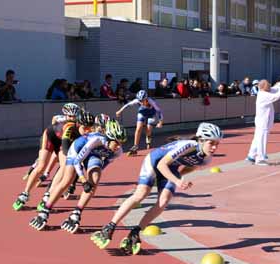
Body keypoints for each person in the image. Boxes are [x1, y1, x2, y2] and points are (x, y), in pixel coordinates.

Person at [91, 122, 223, 254]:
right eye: (211, 143)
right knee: (141, 194)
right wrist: (176, 180)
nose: (214, 147)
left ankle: (135, 232)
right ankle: (109, 227)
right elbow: (161, 165)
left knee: (163, 201)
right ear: (201, 140)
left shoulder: (207, 159)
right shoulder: (188, 145)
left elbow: (192, 166)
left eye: (217, 144)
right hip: (154, 161)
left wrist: (179, 177)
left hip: (171, 168)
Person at [29, 120, 127, 231]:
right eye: (117, 142)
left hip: (94, 154)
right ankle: (45, 210)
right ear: (109, 138)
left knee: (95, 179)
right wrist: (83, 180)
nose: (119, 146)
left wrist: (92, 177)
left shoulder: (118, 152)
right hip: (78, 150)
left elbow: (104, 164)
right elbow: (77, 161)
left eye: (122, 143)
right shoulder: (96, 140)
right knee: (67, 180)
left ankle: (76, 213)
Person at [12, 104, 85, 211]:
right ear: (65, 115)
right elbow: (55, 119)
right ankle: (25, 193)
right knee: (41, 166)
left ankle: (48, 195)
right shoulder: (62, 120)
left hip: (63, 141)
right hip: (50, 136)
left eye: (74, 116)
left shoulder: (80, 124)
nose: (72, 119)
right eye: (70, 116)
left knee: (64, 167)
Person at [246, 79, 280, 165]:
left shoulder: (265, 92)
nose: (270, 85)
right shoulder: (263, 95)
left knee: (257, 138)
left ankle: (251, 155)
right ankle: (260, 158)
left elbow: (274, 89)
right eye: (268, 85)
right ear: (263, 87)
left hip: (264, 120)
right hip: (263, 121)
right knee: (262, 138)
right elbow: (277, 95)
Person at [116, 90, 163, 156]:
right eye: (140, 101)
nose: (141, 102)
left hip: (151, 113)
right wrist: (120, 111)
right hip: (142, 112)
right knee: (138, 128)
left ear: (146, 99)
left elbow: (159, 111)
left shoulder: (151, 101)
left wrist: (160, 121)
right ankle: (135, 146)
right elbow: (127, 105)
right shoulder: (137, 100)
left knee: (149, 129)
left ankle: (148, 140)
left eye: (142, 100)